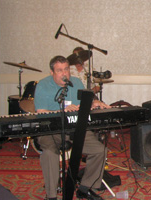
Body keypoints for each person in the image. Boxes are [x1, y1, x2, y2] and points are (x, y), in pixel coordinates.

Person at [34, 56, 110, 200]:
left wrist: (94, 102)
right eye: (60, 70)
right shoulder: (43, 85)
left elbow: (86, 102)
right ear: (52, 72)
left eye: (67, 69)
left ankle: (85, 188)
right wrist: (63, 110)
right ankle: (51, 196)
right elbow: (41, 113)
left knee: (100, 150)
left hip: (76, 128)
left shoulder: (76, 82)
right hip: (51, 129)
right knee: (50, 153)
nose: (64, 73)